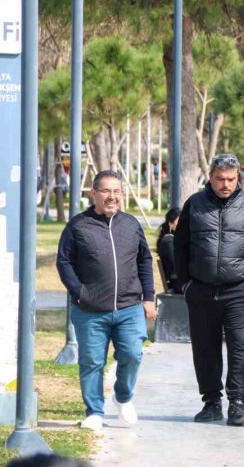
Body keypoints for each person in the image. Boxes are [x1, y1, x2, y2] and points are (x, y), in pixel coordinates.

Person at [174, 154, 244, 427]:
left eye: (230, 179)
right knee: (205, 347)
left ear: (237, 177)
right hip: (201, 289)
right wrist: (186, 283)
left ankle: (237, 404)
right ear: (210, 177)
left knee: (240, 347)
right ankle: (211, 402)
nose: (225, 185)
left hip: (239, 289)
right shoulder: (194, 204)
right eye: (220, 179)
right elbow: (179, 246)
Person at [56, 170, 156, 432]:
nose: (112, 197)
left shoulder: (131, 224)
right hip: (90, 309)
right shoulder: (78, 226)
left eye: (117, 191)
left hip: (129, 306)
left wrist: (148, 297)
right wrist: (79, 292)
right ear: (94, 194)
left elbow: (144, 260)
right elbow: (64, 261)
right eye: (106, 191)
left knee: (133, 354)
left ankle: (123, 396)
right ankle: (94, 411)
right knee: (91, 361)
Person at [156, 206, 181, 293]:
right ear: (171, 223)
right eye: (179, 222)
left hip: (182, 281)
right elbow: (178, 264)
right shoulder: (168, 242)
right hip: (177, 283)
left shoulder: (176, 239)